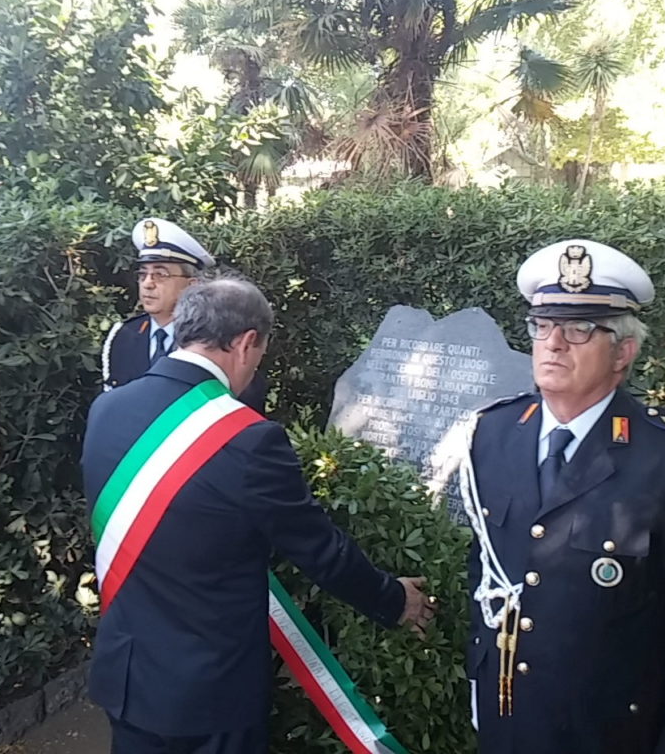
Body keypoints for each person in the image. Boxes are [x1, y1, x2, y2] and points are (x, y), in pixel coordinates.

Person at [82, 275, 435, 754]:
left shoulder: (107, 408)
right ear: (247, 343)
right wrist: (393, 600)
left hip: (127, 678)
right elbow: (319, 550)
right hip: (209, 693)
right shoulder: (248, 438)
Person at [461, 239, 665, 754]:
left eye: (579, 329)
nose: (553, 343)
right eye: (542, 325)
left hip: (608, 732)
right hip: (506, 716)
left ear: (623, 352)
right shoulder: (492, 434)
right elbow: (487, 572)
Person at [101, 217, 266, 412]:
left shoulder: (213, 338)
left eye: (160, 274)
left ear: (191, 286)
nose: (147, 283)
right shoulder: (124, 335)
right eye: (143, 274)